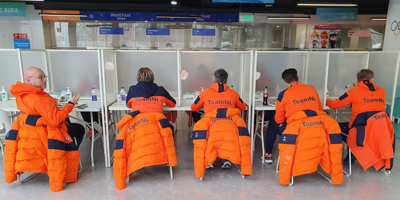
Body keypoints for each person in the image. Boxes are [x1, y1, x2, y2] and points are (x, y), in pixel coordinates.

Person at [6, 67, 82, 192]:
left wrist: (51, 103)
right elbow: (55, 120)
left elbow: (35, 109)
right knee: (79, 129)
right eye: (41, 77)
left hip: (28, 132)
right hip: (46, 135)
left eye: (44, 76)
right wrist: (70, 104)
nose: (45, 79)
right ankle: (68, 159)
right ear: (29, 79)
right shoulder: (40, 99)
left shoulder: (21, 93)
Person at [326, 69, 386, 164]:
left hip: (358, 131)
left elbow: (334, 105)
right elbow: (368, 96)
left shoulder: (354, 91)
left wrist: (326, 99)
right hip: (376, 131)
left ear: (358, 80)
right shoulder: (381, 91)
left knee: (335, 127)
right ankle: (355, 154)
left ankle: (350, 154)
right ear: (372, 79)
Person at [264, 68, 323, 164]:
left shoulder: (283, 94)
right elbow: (320, 110)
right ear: (298, 79)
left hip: (295, 131)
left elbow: (278, 120)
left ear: (285, 82)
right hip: (315, 128)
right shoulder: (312, 89)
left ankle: (268, 154)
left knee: (272, 123)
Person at [191, 68, 247, 169]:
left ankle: (209, 161)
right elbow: (243, 107)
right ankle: (226, 159)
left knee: (208, 134)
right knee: (227, 135)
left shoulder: (205, 93)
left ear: (213, 80)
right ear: (227, 81)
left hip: (211, 126)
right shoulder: (233, 93)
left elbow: (193, 107)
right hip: (230, 126)